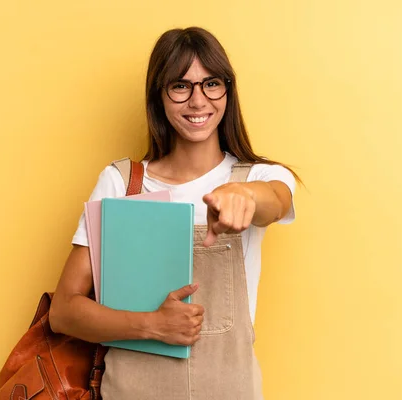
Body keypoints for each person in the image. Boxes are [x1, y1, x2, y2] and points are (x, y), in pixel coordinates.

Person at [49, 26, 299, 400]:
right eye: (180, 86)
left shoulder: (258, 176)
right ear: (159, 96)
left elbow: (275, 201)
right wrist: (152, 326)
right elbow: (64, 312)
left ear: (227, 91)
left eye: (211, 84)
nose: (198, 101)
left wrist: (243, 195)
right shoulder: (124, 183)